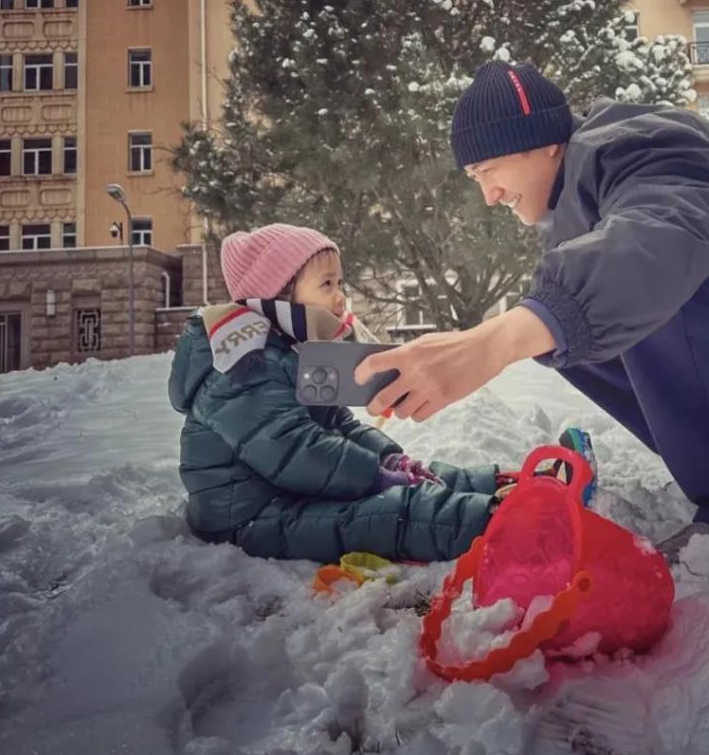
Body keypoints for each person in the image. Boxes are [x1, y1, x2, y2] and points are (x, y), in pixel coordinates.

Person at [356, 62, 709, 552]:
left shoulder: (640, 144)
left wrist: (493, 343)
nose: (489, 196)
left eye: (489, 169)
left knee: (631, 282)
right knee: (573, 325)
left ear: (543, 143)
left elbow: (663, 236)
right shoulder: (582, 204)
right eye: (475, 179)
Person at [168, 223, 501, 563]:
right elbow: (296, 448)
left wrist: (389, 459)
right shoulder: (239, 363)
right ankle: (499, 524)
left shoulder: (290, 351)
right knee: (392, 513)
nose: (340, 295)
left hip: (295, 492)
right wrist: (375, 476)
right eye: (327, 284)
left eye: (340, 283)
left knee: (417, 479)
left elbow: (339, 423)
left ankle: (497, 486)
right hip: (250, 519)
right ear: (278, 293)